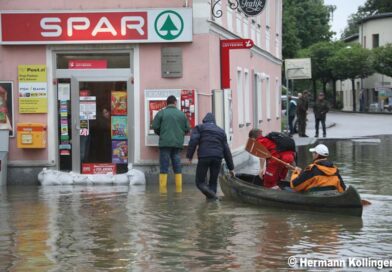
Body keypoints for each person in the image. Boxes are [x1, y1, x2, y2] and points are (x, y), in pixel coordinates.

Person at [187, 113, 234, 200]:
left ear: (204, 120)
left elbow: (193, 141)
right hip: (217, 158)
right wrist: (231, 168)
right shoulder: (221, 131)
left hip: (204, 156)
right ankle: (212, 206)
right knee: (213, 182)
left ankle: (214, 198)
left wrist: (189, 156)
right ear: (214, 121)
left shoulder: (200, 128)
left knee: (200, 183)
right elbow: (226, 150)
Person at [152, 95, 190, 193]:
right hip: (177, 143)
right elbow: (187, 129)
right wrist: (180, 134)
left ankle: (163, 190)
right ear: (175, 103)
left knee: (164, 166)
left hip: (165, 143)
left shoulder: (161, 113)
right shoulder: (182, 114)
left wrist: (161, 133)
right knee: (177, 164)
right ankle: (179, 189)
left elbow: (155, 126)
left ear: (166, 103)